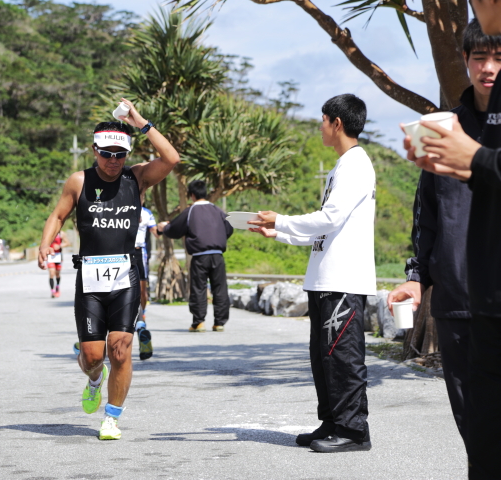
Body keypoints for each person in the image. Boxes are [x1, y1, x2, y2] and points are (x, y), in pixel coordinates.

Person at [38, 98, 180, 440]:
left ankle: (112, 417)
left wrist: (140, 121)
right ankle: (93, 379)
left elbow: (171, 159)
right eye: (106, 154)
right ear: (94, 150)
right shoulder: (79, 182)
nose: (113, 161)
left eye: (120, 154)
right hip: (89, 277)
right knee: (92, 356)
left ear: (127, 154)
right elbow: (58, 216)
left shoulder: (137, 178)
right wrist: (45, 243)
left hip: (124, 277)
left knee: (120, 348)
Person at [387, 19, 500, 451]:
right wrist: (417, 277)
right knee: (472, 423)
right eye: (479, 58)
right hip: (456, 306)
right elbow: (427, 215)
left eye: (499, 59)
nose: (488, 68)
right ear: (466, 62)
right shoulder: (441, 128)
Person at [249, 94, 375, 453]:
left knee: (342, 356)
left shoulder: (355, 164)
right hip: (324, 278)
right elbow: (326, 228)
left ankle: (353, 431)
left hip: (343, 279)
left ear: (337, 123)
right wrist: (280, 231)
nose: (319, 127)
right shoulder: (341, 166)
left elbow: (330, 218)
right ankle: (333, 421)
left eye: (322, 120)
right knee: (324, 357)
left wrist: (283, 219)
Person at [157, 180, 233, 332]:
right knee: (220, 288)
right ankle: (219, 322)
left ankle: (198, 322)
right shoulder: (218, 211)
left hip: (200, 256)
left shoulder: (190, 211)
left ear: (191, 195)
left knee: (199, 288)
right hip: (218, 255)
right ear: (205, 193)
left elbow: (175, 229)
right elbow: (229, 228)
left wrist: (164, 228)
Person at [135, 203, 158, 360]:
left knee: (142, 292)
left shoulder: (147, 213)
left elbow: (155, 232)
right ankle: (140, 327)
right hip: (119, 252)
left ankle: (141, 320)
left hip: (139, 252)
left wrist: (166, 227)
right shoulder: (118, 207)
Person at [47, 231, 70, 298]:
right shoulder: (48, 232)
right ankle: (52, 291)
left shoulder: (61, 233)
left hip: (58, 256)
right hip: (50, 255)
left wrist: (59, 246)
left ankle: (57, 286)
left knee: (57, 274)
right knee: (51, 273)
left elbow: (67, 243)